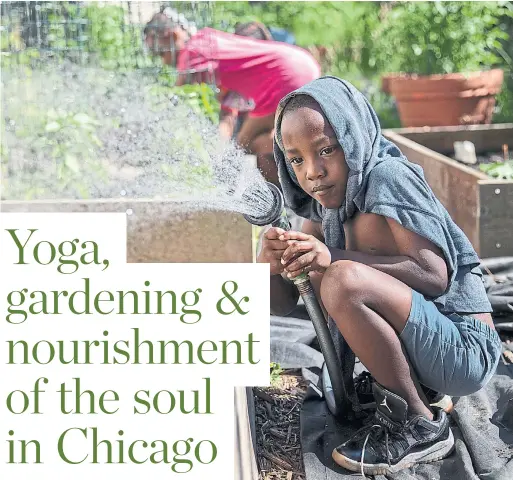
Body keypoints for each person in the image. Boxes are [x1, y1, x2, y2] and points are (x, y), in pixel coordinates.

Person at [257, 76, 501, 475]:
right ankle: (409, 389)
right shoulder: (325, 207)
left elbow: (433, 275)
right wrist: (270, 263)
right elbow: (284, 304)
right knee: (324, 270)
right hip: (427, 352)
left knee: (341, 278)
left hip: (464, 349)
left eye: (326, 150)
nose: (313, 172)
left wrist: (330, 256)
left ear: (352, 137)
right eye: (297, 159)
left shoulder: (387, 177)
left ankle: (420, 425)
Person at [143, 10, 321, 187]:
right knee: (261, 143)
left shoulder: (190, 53)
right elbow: (227, 116)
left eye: (160, 53)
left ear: (173, 35)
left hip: (285, 77)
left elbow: (174, 102)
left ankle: (286, 194)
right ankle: (286, 192)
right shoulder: (212, 47)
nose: (164, 61)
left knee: (241, 145)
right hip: (302, 63)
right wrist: (218, 151)